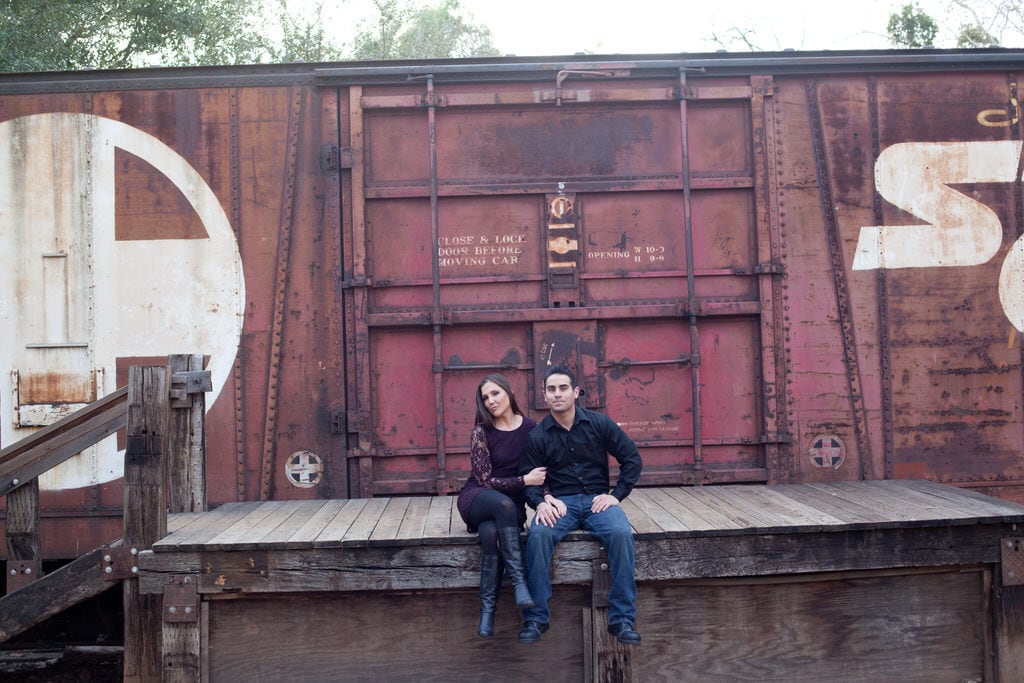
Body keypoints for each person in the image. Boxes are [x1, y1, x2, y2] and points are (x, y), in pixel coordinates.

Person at [517, 365, 643, 645]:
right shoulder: (538, 436)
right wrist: (540, 504)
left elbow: (632, 459)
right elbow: (530, 480)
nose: (557, 394)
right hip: (562, 505)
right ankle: (536, 618)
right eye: (551, 389)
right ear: (544, 395)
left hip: (599, 501)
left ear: (576, 392)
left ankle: (622, 619)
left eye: (563, 388)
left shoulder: (599, 424)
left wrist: (616, 495)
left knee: (621, 534)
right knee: (538, 535)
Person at [456, 374, 548, 638]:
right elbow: (484, 480)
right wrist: (524, 480)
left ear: (508, 393)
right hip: (478, 498)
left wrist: (545, 499)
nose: (491, 401)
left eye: (495, 393)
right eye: (486, 398)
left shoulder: (532, 428)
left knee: (490, 532)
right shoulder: (481, 431)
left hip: (510, 506)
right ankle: (519, 583)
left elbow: (543, 472)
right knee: (502, 506)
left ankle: (487, 613)